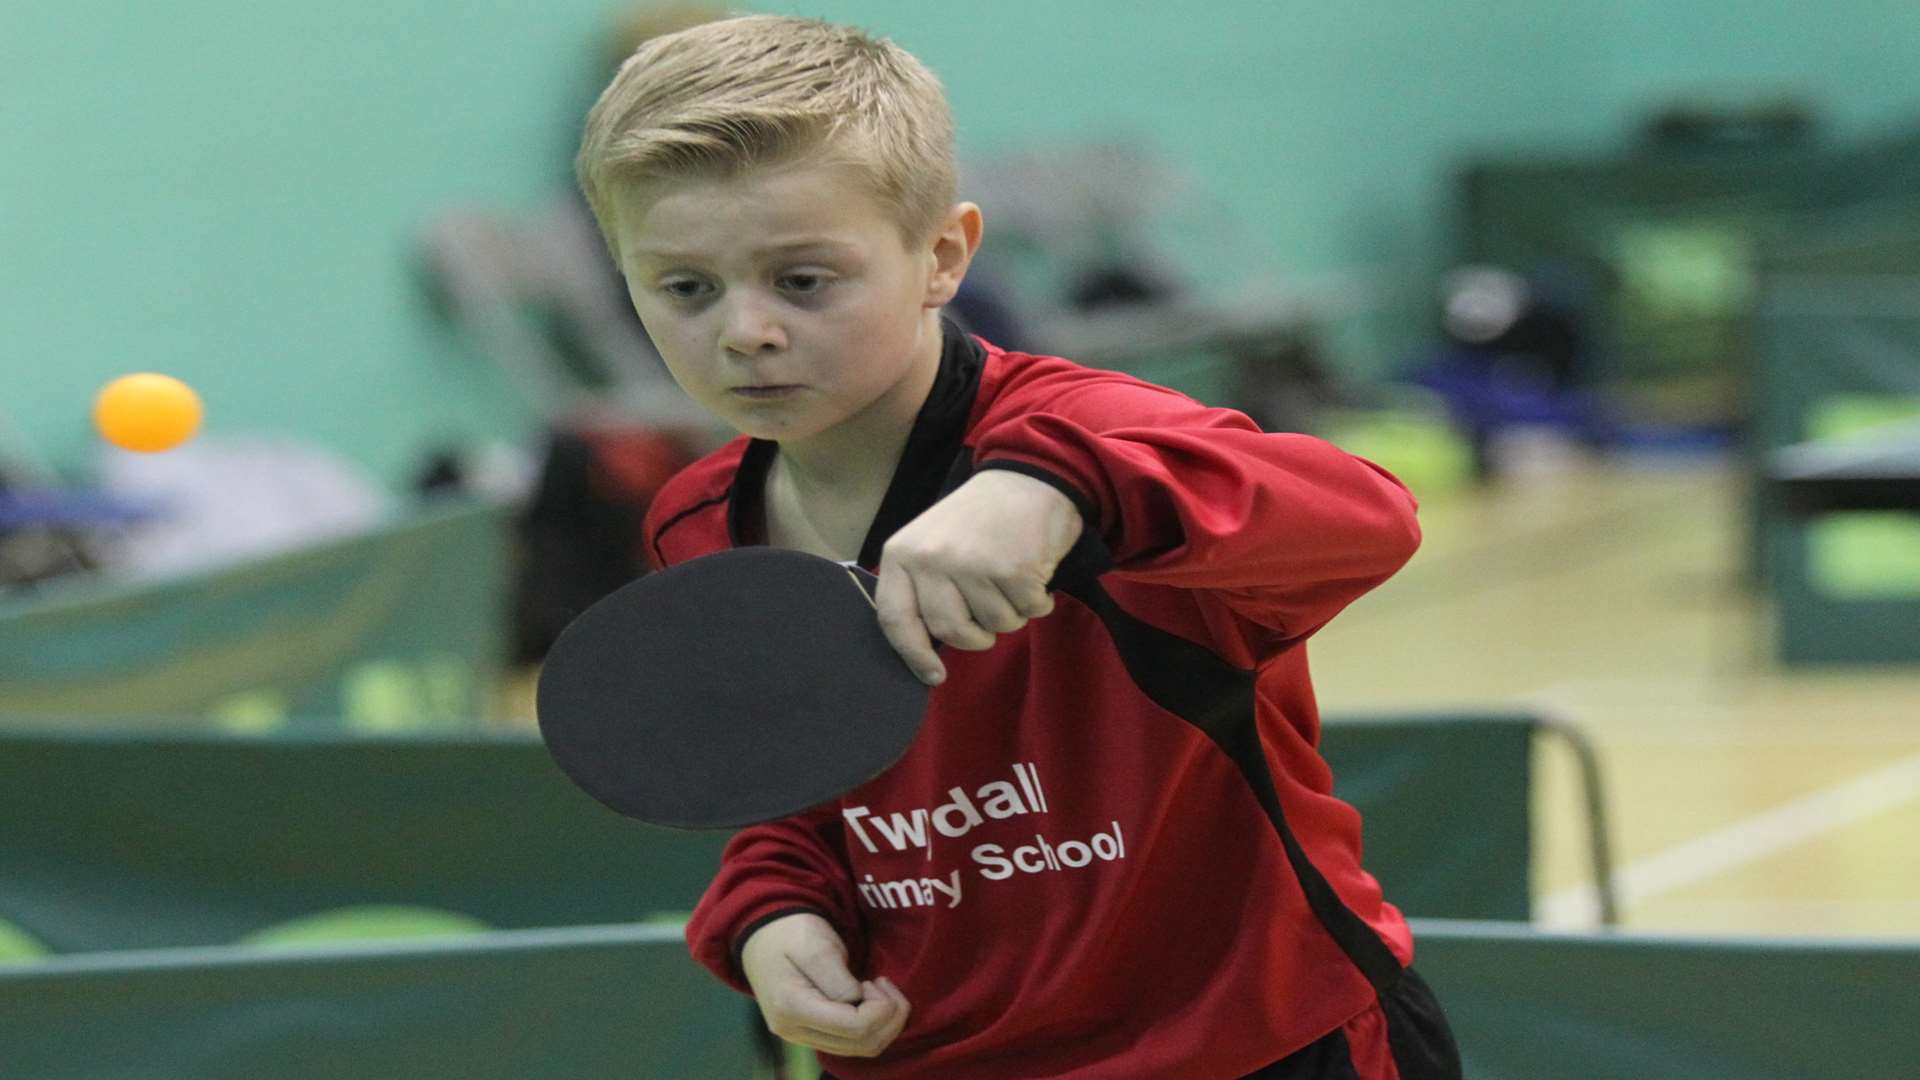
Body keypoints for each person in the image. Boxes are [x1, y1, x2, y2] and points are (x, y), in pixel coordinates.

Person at [573, 14, 1460, 1079]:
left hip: (1255, 1047)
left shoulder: (1097, 437)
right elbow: (796, 790)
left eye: (804, 281)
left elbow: (1370, 514)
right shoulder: (698, 523)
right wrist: (770, 913)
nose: (742, 331)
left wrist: (1062, 491)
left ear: (942, 254)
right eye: (684, 288)